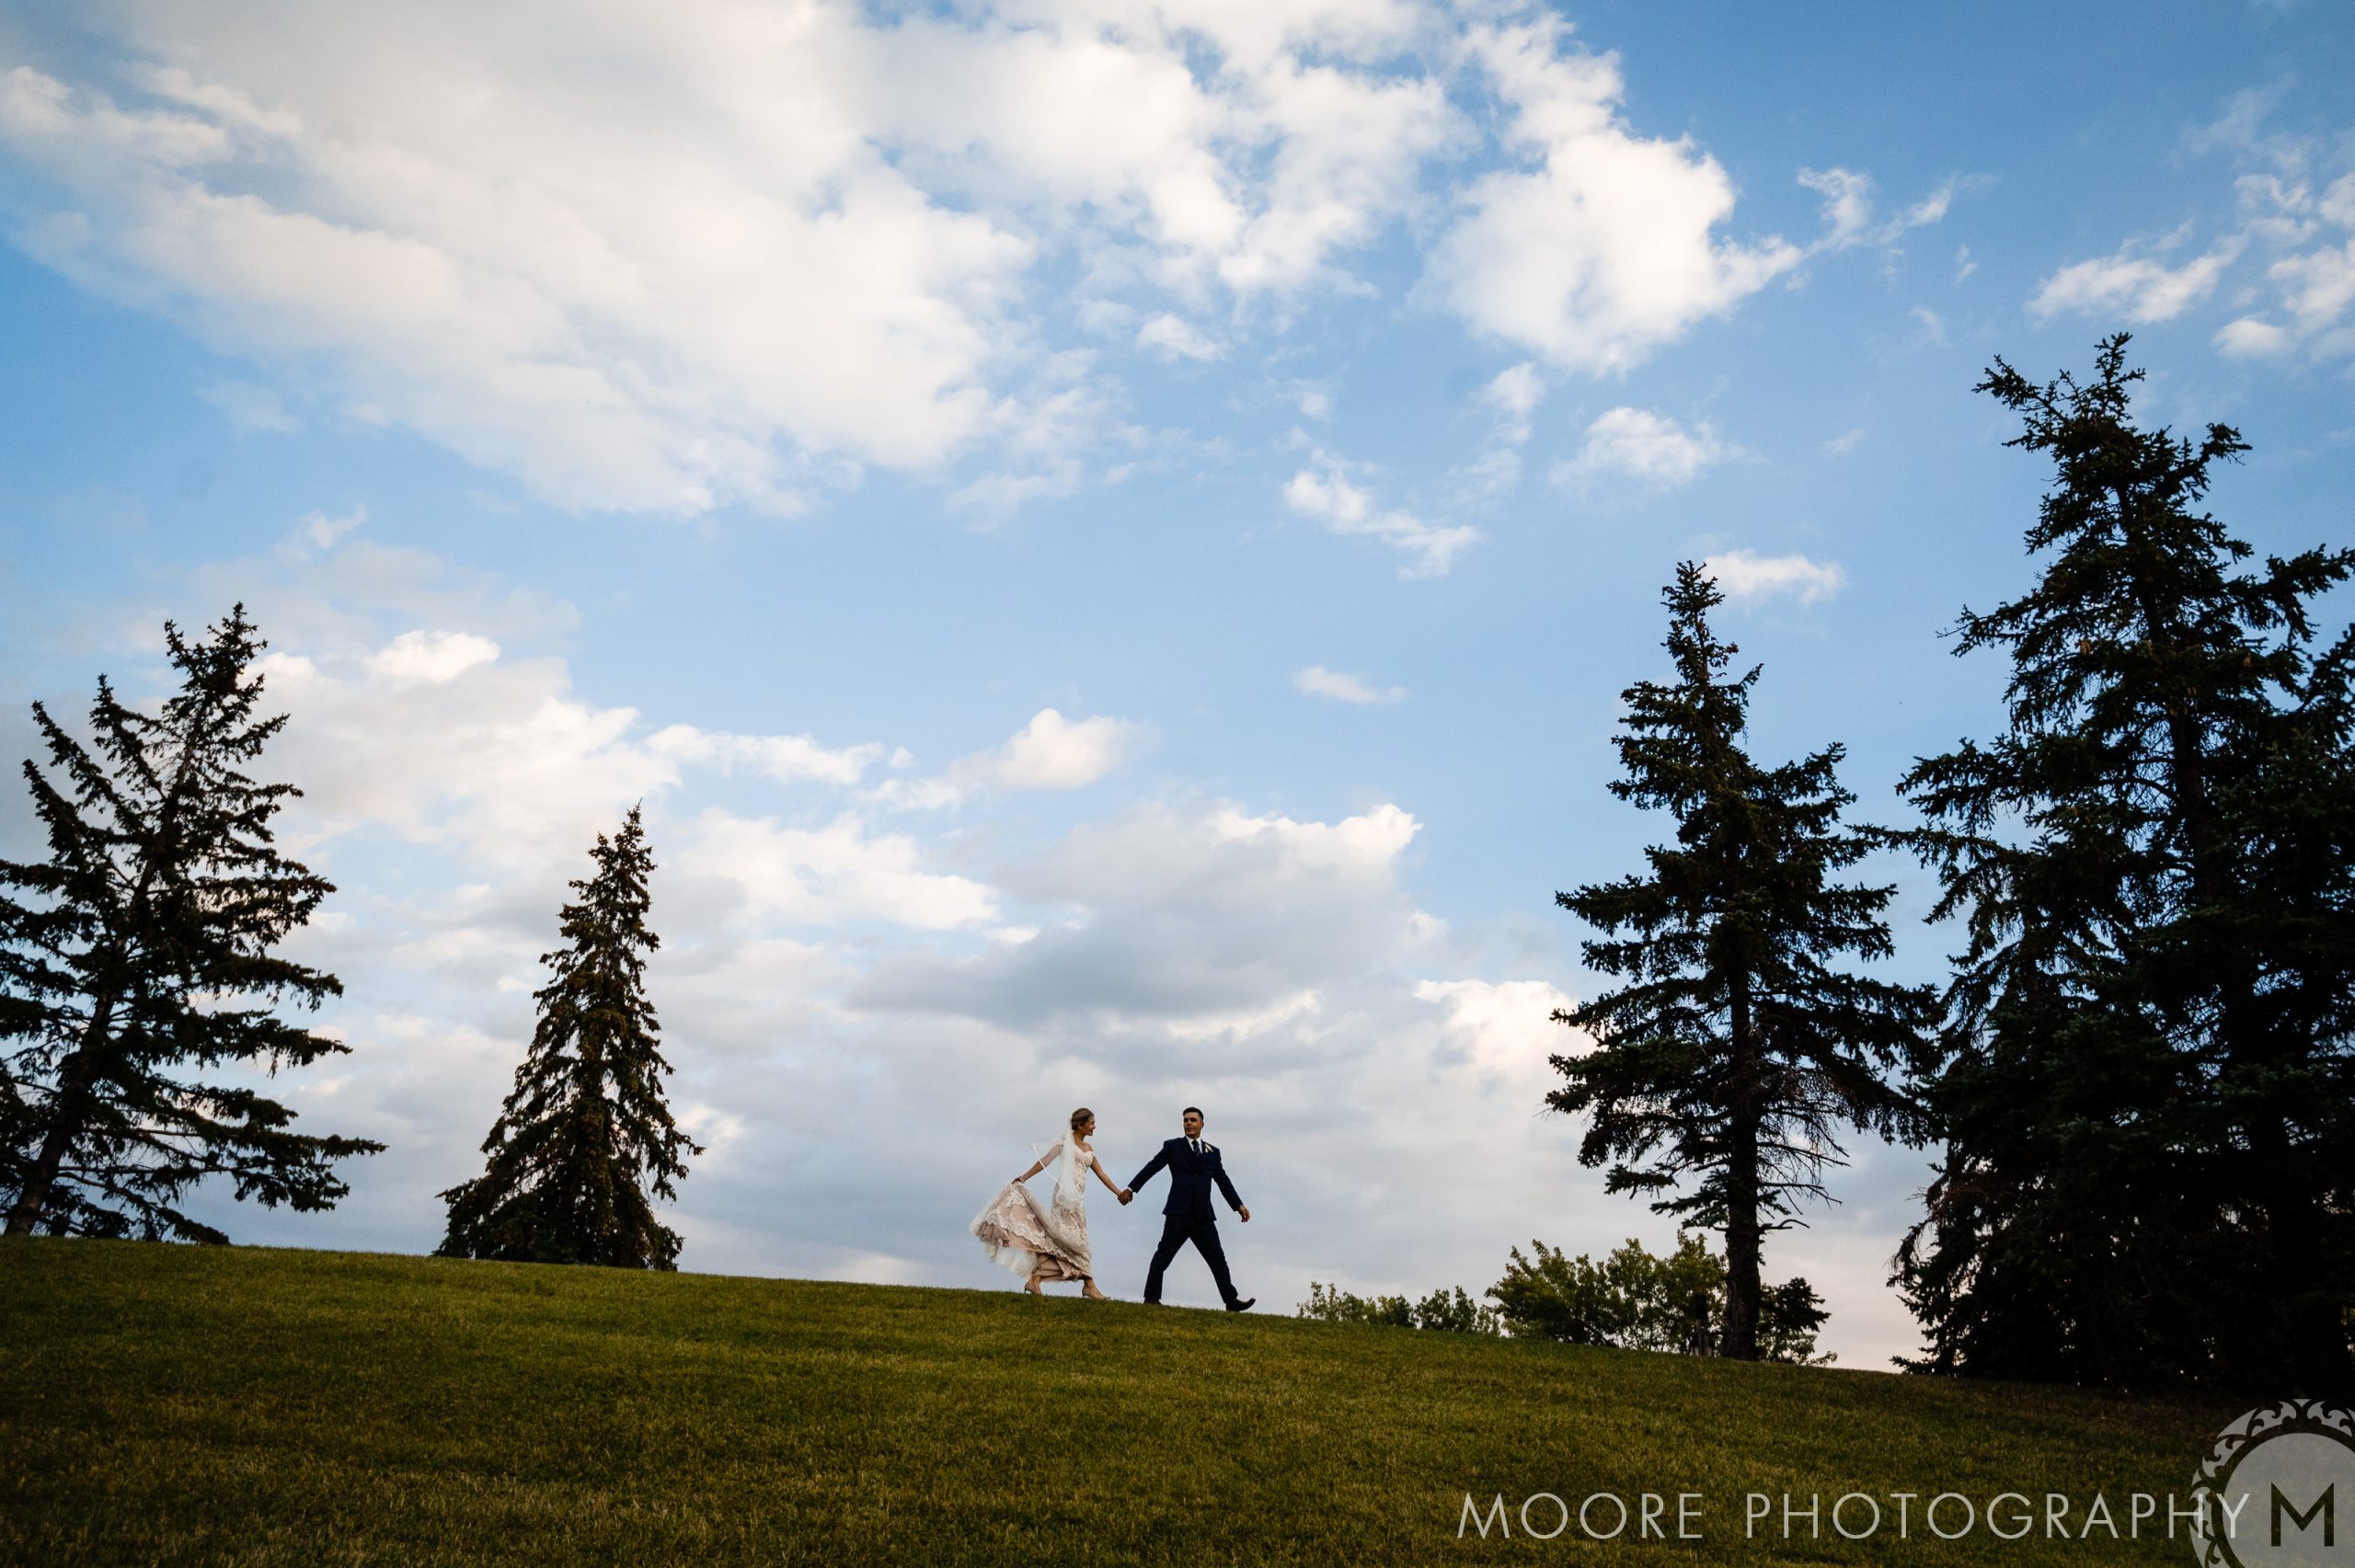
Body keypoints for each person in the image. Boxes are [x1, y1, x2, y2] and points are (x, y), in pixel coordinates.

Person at [970, 1106, 1131, 1299]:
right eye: (1092, 1123)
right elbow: (1045, 1160)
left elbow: (1101, 1173)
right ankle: (1089, 1284)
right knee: (1073, 1242)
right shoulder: (1066, 1142)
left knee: (1066, 1242)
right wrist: (1024, 1177)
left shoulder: (1089, 1149)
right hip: (1063, 1199)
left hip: (1078, 1199)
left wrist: (1118, 1192)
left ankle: (1036, 1280)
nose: (1095, 1127)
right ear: (1081, 1125)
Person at [1126, 1105, 1254, 1311]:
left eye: (1193, 1120)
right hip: (1178, 1213)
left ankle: (1231, 1301)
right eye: (1185, 1120)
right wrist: (1132, 1188)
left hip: (1203, 1216)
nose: (1188, 1123)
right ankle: (1151, 1298)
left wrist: (1238, 1205)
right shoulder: (1172, 1147)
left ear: (1202, 1124)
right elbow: (1152, 1168)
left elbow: (1223, 1181)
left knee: (1218, 1259)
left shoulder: (1212, 1152)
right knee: (1163, 1256)